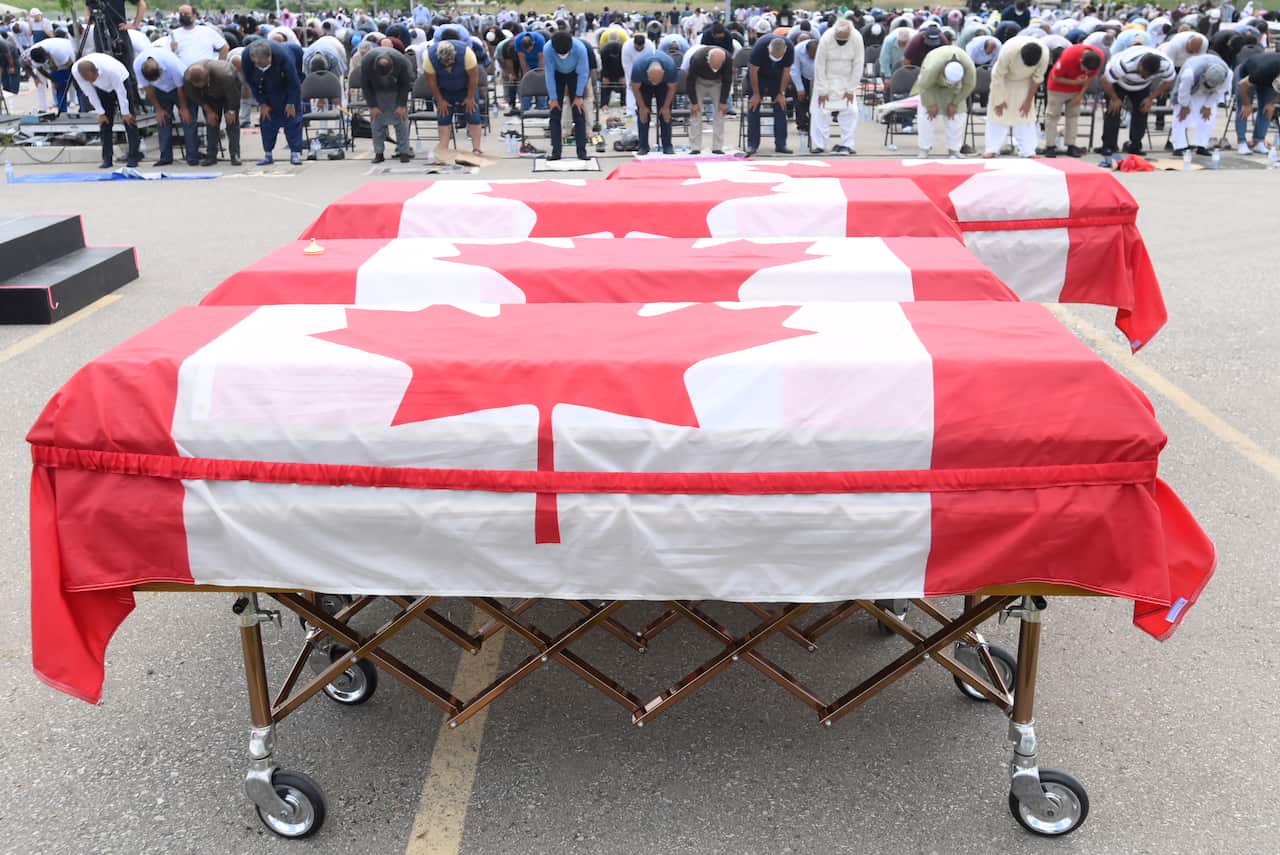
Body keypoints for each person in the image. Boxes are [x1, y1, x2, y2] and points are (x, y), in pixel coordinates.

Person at [1100, 46, 1174, 157]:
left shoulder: (1166, 65)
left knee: (1142, 111)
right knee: (1113, 111)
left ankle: (1135, 145)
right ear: (1139, 65)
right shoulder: (1124, 64)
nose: (1144, 77)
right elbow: (1105, 80)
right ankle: (1109, 146)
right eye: (1143, 73)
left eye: (1148, 75)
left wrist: (1151, 98)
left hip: (1141, 88)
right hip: (1118, 83)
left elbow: (1168, 81)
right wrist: (1114, 99)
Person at [73, 53, 140, 168]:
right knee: (105, 123)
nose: (91, 81)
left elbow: (120, 91)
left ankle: (134, 156)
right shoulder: (76, 71)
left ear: (97, 71)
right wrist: (101, 112)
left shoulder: (110, 69)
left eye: (92, 78)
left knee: (129, 121)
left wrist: (125, 112)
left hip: (121, 81)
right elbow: (89, 92)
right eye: (89, 80)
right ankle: (107, 158)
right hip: (103, 89)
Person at [243, 39, 303, 166]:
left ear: (270, 56)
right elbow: (251, 82)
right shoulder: (246, 57)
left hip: (285, 86)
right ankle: (268, 154)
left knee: (292, 119)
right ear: (253, 59)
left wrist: (291, 102)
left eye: (265, 63)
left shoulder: (283, 56)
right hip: (264, 88)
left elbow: (294, 81)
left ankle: (295, 153)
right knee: (267, 120)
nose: (263, 66)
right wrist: (262, 103)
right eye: (259, 64)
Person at [984, 36, 1047, 158]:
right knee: (998, 114)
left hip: (1025, 82)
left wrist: (1028, 101)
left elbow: (1037, 79)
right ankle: (992, 149)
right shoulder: (1008, 51)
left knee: (1025, 116)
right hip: (1004, 79)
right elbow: (997, 76)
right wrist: (999, 100)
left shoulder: (1044, 55)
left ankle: (1028, 151)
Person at [911, 45, 975, 159]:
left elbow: (969, 85)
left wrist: (955, 103)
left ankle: (954, 150)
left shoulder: (969, 66)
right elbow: (924, 86)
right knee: (927, 116)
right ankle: (924, 148)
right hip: (931, 87)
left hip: (955, 90)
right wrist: (930, 104)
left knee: (957, 116)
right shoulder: (932, 67)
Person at [810, 20, 864, 155]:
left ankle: (848, 144)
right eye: (839, 39)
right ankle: (820, 145)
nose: (841, 42)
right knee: (820, 112)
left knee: (851, 112)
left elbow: (858, 64)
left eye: (844, 39)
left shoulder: (857, 37)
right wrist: (822, 90)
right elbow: (819, 65)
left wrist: (851, 89)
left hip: (846, 81)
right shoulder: (826, 38)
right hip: (826, 80)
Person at [135, 49, 196, 167]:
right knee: (162, 120)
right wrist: (158, 109)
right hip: (159, 92)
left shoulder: (171, 64)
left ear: (161, 69)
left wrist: (183, 108)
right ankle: (166, 157)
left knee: (188, 119)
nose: (158, 81)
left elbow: (181, 88)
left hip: (179, 87)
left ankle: (192, 156)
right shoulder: (138, 65)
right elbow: (148, 89)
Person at [422, 39, 483, 155]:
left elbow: (474, 78)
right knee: (443, 116)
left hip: (466, 87)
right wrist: (440, 100)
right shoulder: (429, 58)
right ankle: (444, 149)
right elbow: (431, 82)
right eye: (445, 64)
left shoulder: (467, 54)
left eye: (450, 63)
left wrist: (470, 98)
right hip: (443, 89)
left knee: (473, 114)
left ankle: (477, 148)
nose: (448, 67)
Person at [1042, 43, 1103, 157]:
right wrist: (1076, 82)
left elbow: (1089, 78)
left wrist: (1080, 95)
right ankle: (1050, 146)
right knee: (1052, 116)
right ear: (1080, 61)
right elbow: (1056, 77)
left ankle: (1071, 145)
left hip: (1076, 90)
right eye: (1084, 69)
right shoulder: (1068, 56)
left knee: (1073, 116)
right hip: (1057, 88)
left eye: (1090, 70)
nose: (1086, 72)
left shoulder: (1098, 57)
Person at [183, 58, 241, 166]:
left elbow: (233, 93)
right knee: (211, 123)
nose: (199, 87)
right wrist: (208, 110)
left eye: (202, 84)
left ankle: (235, 155)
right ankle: (211, 156)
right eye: (197, 86)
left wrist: (231, 110)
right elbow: (194, 96)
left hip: (229, 93)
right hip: (209, 98)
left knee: (232, 124)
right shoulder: (188, 78)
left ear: (207, 77)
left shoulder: (225, 74)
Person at [360, 45, 412, 164]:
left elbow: (405, 84)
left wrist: (401, 105)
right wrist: (372, 106)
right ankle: (379, 153)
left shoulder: (401, 61)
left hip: (396, 92)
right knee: (377, 123)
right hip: (376, 92)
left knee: (401, 121)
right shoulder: (367, 62)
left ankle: (404, 152)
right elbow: (365, 86)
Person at [1172, 54, 1231, 156]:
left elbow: (1220, 91)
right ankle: (1179, 146)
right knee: (1180, 117)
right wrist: (1185, 106)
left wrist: (1208, 105)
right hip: (1190, 89)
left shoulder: (1228, 75)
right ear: (1204, 75)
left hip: (1210, 93)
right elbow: (1183, 91)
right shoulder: (1189, 73)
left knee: (1208, 117)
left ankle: (1201, 145)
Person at [543, 30, 589, 161]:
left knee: (579, 112)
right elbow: (549, 73)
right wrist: (553, 98)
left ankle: (582, 151)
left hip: (575, 74)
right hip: (557, 75)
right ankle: (556, 152)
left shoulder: (580, 48)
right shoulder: (548, 48)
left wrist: (579, 96)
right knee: (555, 113)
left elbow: (583, 73)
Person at [746, 33, 794, 155]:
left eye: (779, 56)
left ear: (785, 51)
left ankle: (781, 144)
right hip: (759, 76)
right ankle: (752, 144)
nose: (776, 58)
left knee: (781, 106)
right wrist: (756, 94)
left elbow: (787, 71)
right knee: (753, 106)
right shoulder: (760, 47)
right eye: (773, 56)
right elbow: (753, 71)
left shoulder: (789, 47)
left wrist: (781, 92)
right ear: (768, 49)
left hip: (777, 77)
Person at [686, 44, 731, 154]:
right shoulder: (697, 59)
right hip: (699, 82)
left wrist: (723, 101)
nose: (716, 69)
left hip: (717, 83)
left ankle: (717, 147)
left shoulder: (728, 59)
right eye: (714, 66)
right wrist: (694, 102)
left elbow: (727, 80)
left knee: (720, 112)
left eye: (718, 66)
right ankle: (695, 147)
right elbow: (690, 81)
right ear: (708, 59)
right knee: (696, 112)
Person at [631, 51, 677, 155]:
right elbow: (635, 87)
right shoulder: (638, 67)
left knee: (665, 114)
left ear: (664, 73)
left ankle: (667, 145)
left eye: (657, 80)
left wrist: (665, 107)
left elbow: (672, 88)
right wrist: (642, 107)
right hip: (644, 86)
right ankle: (643, 146)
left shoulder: (670, 67)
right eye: (653, 80)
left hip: (664, 86)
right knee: (643, 114)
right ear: (647, 73)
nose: (654, 83)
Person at [1234, 52, 1280, 155]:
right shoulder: (1263, 70)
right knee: (1244, 110)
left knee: (1267, 109)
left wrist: (1272, 103)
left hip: (1269, 80)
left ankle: (1259, 141)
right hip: (1247, 75)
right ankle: (1242, 142)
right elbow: (1242, 85)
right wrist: (1247, 104)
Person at [22, 37, 78, 113]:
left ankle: (83, 110)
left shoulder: (59, 52)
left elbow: (70, 65)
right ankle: (62, 112)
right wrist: (54, 80)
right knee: (60, 88)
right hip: (55, 61)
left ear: (46, 54)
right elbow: (40, 69)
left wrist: (73, 78)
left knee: (77, 85)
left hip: (70, 58)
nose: (43, 63)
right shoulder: (34, 56)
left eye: (44, 61)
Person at [514, 30, 546, 111]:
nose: (528, 52)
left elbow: (541, 60)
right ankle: (525, 108)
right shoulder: (518, 40)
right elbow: (522, 61)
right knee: (526, 84)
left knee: (540, 84)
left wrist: (539, 76)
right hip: (528, 63)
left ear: (533, 44)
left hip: (538, 62)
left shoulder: (540, 40)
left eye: (529, 49)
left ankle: (542, 107)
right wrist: (526, 77)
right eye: (526, 50)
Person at [790, 37, 816, 137]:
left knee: (815, 101)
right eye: (811, 55)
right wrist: (800, 89)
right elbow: (795, 70)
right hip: (801, 75)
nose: (813, 58)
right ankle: (802, 125)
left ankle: (814, 124)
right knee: (800, 100)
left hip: (817, 77)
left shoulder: (823, 48)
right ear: (807, 51)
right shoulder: (797, 50)